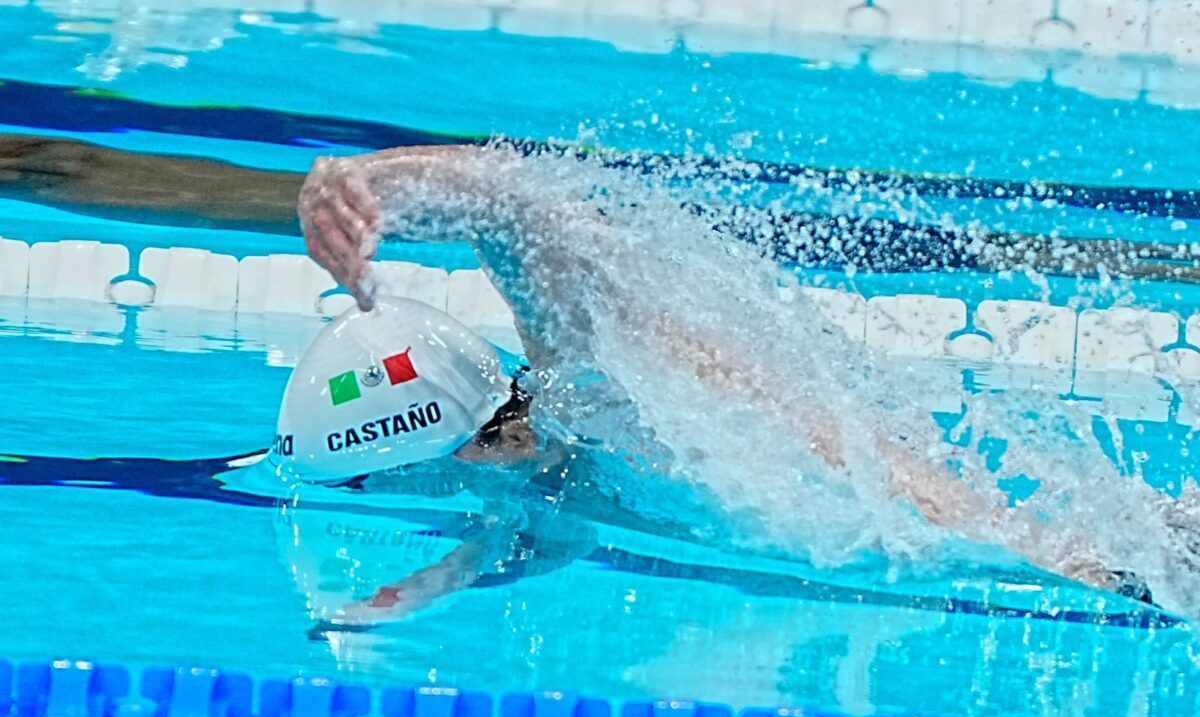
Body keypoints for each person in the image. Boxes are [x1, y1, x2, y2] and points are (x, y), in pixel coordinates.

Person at [294, 143, 1162, 602]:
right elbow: (549, 537)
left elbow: (515, 204)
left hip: (1085, 572)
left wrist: (353, 181)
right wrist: (441, 583)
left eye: (389, 483)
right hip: (1069, 560)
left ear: (459, 448)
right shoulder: (568, 456)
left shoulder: (593, 392)